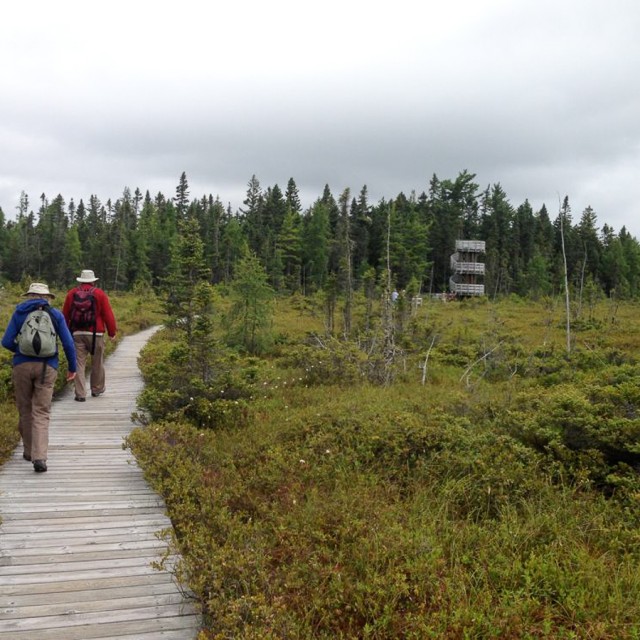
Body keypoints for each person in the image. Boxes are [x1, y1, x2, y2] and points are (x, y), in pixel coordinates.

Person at [1, 282, 77, 473]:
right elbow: (68, 343)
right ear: (47, 297)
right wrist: (72, 367)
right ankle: (40, 457)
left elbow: (6, 341)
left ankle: (28, 451)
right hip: (47, 366)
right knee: (41, 412)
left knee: (25, 409)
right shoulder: (56, 314)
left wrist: (20, 351)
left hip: (21, 366)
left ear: (29, 296)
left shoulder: (19, 312)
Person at [62, 269, 117, 402]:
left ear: (80, 280)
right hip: (96, 333)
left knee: (79, 363)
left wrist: (65, 333)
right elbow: (107, 314)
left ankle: (80, 394)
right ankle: (97, 389)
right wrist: (112, 332)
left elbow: (64, 315)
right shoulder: (99, 294)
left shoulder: (72, 293)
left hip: (77, 333)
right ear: (93, 281)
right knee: (97, 362)